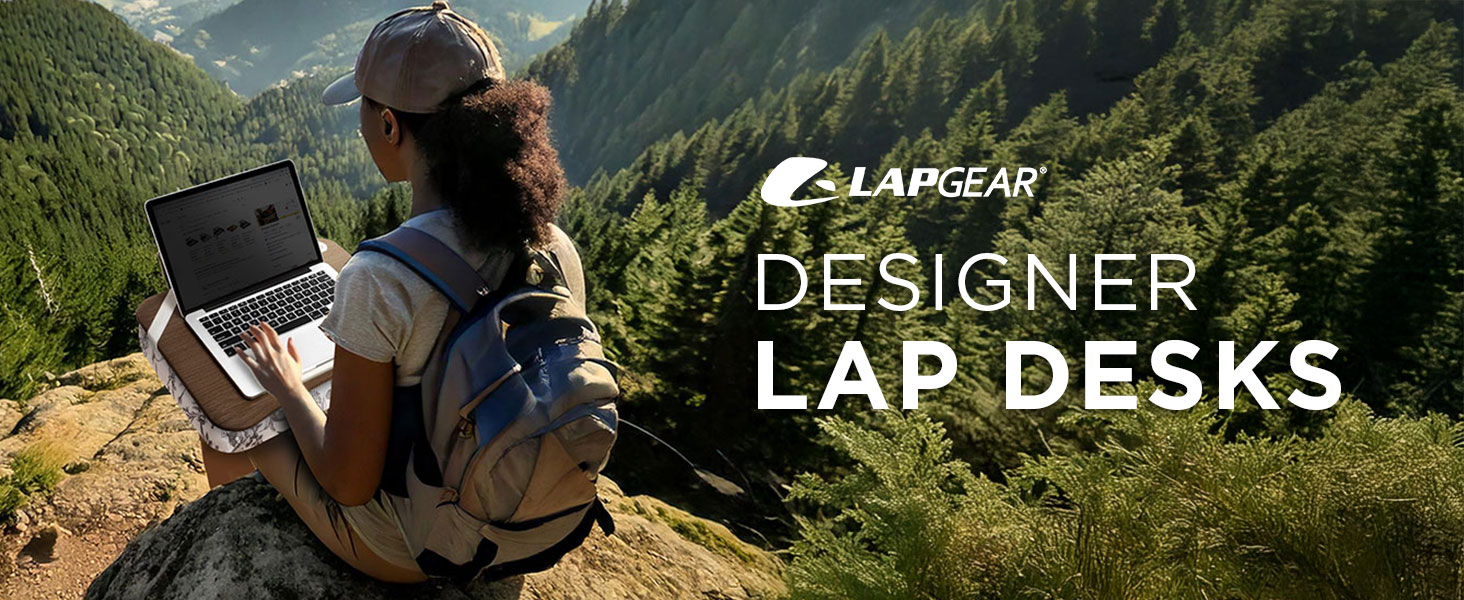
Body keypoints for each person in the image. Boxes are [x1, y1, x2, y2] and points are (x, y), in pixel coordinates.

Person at [199, 1, 584, 583]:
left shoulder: (379, 278)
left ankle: (223, 561)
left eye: (364, 109)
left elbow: (348, 484)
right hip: (537, 524)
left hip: (416, 550)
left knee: (228, 427)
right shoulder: (551, 244)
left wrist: (288, 386)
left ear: (388, 125)